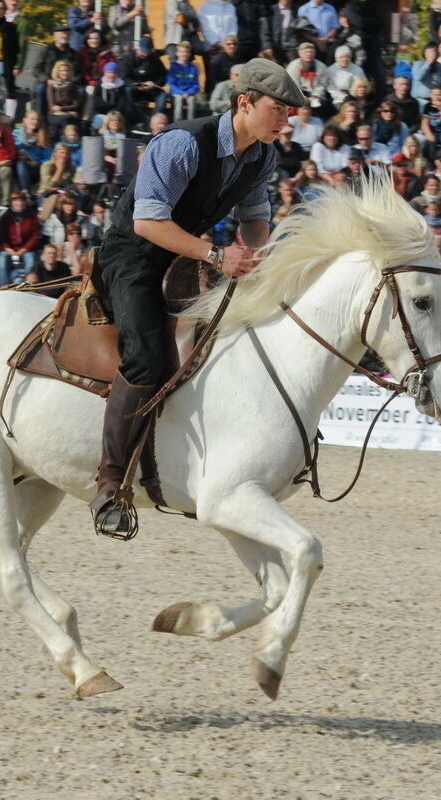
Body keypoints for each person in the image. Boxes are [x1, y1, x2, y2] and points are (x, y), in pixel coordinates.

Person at [89, 58, 303, 535]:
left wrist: (256, 252)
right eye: (279, 108)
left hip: (186, 258)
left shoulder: (262, 154)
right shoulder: (182, 142)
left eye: (289, 112)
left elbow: (254, 215)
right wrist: (216, 255)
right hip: (132, 257)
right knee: (147, 359)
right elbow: (146, 222)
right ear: (245, 102)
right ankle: (109, 483)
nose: (286, 120)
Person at [0, 191, 40, 285]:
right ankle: (4, 286)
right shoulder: (6, 216)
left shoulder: (32, 216)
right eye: (16, 200)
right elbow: (2, 237)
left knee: (30, 259)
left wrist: (24, 249)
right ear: (12, 202)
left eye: (21, 200)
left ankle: (27, 285)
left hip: (27, 249)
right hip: (10, 249)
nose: (19, 203)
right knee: (2, 258)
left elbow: (35, 236)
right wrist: (7, 248)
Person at [167, 41, 201, 122]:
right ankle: (177, 123)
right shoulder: (173, 66)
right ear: (177, 53)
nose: (184, 54)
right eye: (182, 52)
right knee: (178, 100)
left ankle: (190, 123)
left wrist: (189, 92)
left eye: (186, 52)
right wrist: (181, 93)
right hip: (177, 92)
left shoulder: (193, 67)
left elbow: (196, 85)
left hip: (189, 93)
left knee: (192, 100)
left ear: (189, 53)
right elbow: (171, 84)